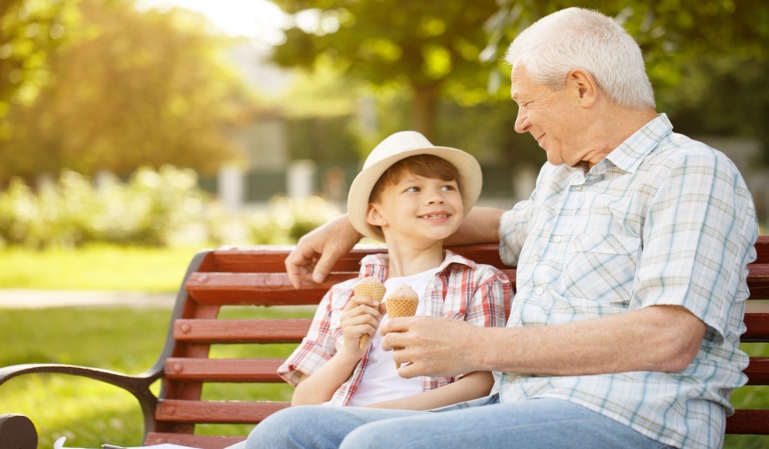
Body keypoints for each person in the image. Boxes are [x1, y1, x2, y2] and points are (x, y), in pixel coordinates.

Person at [249, 7, 759, 449]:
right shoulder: (565, 180)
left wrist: (476, 346)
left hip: (634, 420)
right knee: (290, 433)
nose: (520, 122)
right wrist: (356, 220)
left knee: (377, 444)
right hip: (517, 405)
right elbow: (500, 224)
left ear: (582, 87)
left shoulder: (690, 172)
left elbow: (668, 337)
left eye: (527, 102)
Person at [273, 131, 510, 410]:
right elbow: (302, 402)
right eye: (414, 189)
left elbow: (483, 384)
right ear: (376, 213)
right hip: (332, 425)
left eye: (447, 187)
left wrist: (372, 416)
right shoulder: (343, 296)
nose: (436, 198)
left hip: (418, 428)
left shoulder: (480, 282)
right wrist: (348, 353)